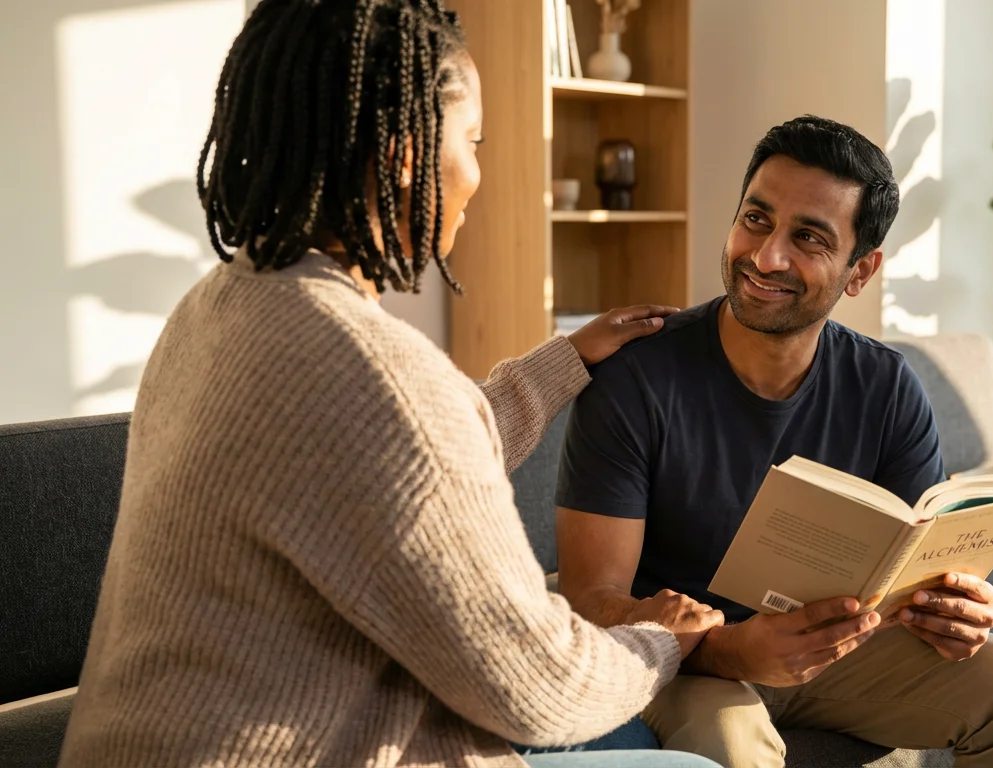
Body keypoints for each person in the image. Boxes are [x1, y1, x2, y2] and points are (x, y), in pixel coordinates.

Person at [57, 2, 724, 767]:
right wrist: (657, 642)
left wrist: (568, 356)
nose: (479, 174)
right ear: (409, 155)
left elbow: (402, 457)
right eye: (472, 143)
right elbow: (542, 688)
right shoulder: (376, 378)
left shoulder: (220, 306)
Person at [554, 115, 993, 768]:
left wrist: (953, 608)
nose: (767, 256)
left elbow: (912, 565)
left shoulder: (886, 385)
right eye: (756, 219)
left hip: (837, 655)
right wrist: (729, 648)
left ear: (860, 271)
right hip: (687, 663)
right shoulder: (638, 377)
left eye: (808, 237)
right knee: (732, 745)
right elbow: (589, 603)